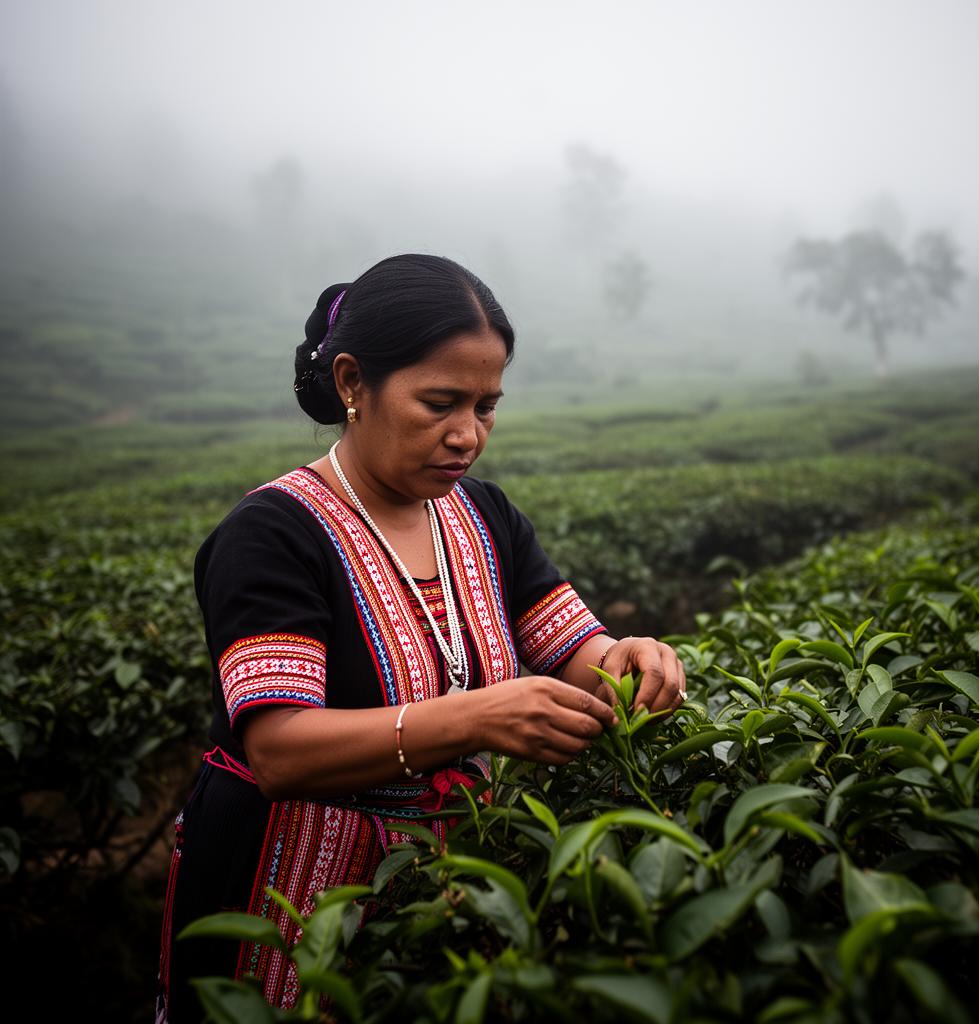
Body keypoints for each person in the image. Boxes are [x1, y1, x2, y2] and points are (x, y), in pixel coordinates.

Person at [156, 254, 686, 1020]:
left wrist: (628, 658)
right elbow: (278, 749)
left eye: (486, 406)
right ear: (351, 384)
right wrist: (475, 719)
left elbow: (577, 650)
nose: (467, 435)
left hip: (444, 886)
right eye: (439, 403)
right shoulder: (273, 534)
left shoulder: (484, 516)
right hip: (287, 886)